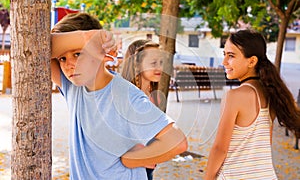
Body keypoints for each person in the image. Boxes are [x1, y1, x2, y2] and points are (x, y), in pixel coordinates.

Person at [50, 13, 188, 180]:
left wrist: (133, 159)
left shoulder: (124, 95)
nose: (69, 65)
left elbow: (177, 142)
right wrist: (88, 37)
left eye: (78, 54)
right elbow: (37, 47)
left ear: (102, 53)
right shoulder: (72, 86)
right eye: (62, 58)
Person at [204, 29, 300, 180]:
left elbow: (220, 148)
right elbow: (264, 145)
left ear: (252, 61)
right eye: (224, 55)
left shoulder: (234, 97)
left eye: (231, 56)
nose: (224, 62)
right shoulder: (270, 94)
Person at [121, 39, 164, 180]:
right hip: (129, 170)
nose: (159, 67)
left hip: (148, 168)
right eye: (153, 63)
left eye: (161, 62)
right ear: (137, 65)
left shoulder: (153, 95)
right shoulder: (126, 96)